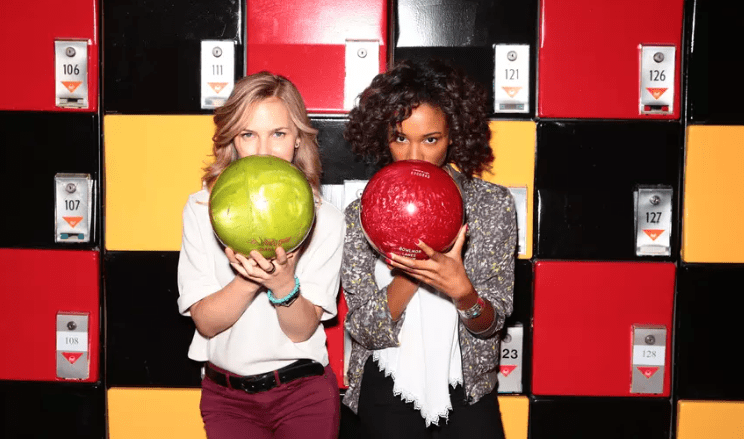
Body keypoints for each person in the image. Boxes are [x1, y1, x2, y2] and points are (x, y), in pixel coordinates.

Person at [341, 59, 516, 439]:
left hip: (468, 393)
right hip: (385, 389)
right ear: (383, 137)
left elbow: (492, 326)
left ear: (454, 135)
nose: (415, 157)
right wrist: (415, 270)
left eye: (430, 139)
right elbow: (364, 330)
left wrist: (462, 291)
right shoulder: (362, 211)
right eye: (400, 138)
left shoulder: (492, 205)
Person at [177, 72, 344, 439]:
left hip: (303, 395)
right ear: (232, 140)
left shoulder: (326, 219)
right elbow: (206, 323)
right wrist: (249, 277)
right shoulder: (202, 208)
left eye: (278, 134)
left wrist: (283, 282)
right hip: (227, 400)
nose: (264, 150)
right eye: (248, 135)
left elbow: (301, 330)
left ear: (298, 137)